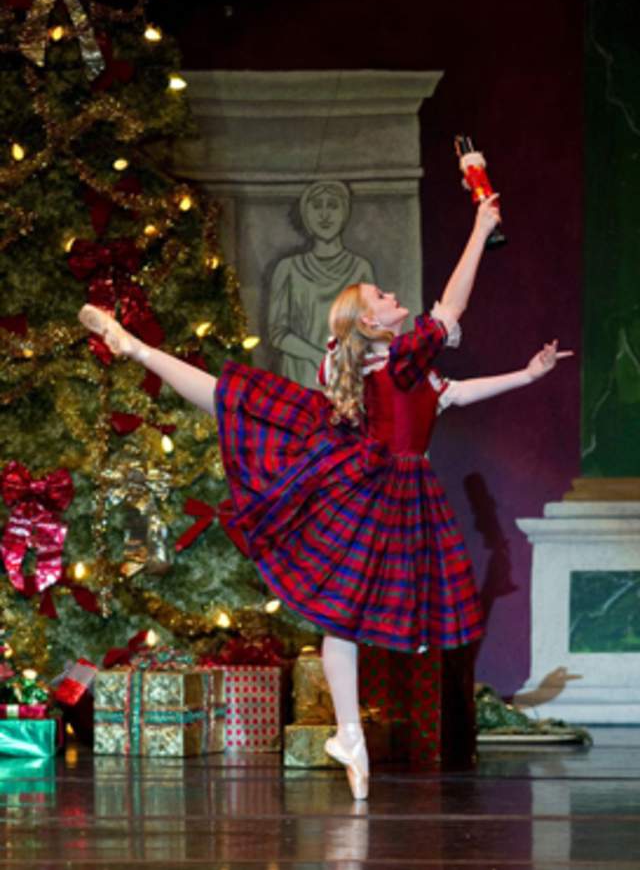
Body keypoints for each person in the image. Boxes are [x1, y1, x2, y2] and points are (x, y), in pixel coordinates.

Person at [78, 194, 572, 800]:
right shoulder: (392, 367)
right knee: (237, 399)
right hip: (374, 486)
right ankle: (138, 349)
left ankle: (349, 734)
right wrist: (479, 227)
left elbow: (457, 393)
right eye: (384, 299)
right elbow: (452, 305)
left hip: (399, 491)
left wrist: (527, 375)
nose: (396, 300)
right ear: (372, 323)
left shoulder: (407, 369)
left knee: (343, 619)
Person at [268, 180, 375, 387]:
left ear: (345, 212)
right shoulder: (288, 269)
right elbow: (277, 333)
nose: (324, 215)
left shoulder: (361, 269)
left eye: (333, 206)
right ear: (306, 214)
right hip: (301, 380)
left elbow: (371, 330)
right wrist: (318, 357)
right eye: (317, 206)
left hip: (347, 380)